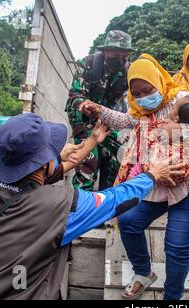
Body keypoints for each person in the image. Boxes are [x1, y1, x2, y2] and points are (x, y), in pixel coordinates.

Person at [0, 113, 179, 299]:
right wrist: (150, 176)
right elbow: (115, 199)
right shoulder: (61, 207)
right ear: (43, 162)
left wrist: (88, 143)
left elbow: (43, 175)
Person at [79, 53, 189, 300]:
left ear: (158, 80)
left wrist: (176, 129)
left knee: (176, 246)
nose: (144, 98)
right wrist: (99, 110)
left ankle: (172, 297)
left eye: (148, 90)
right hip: (155, 181)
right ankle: (143, 272)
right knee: (128, 222)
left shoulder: (182, 99)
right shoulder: (139, 107)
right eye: (137, 93)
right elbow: (125, 119)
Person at [66, 30, 134, 191]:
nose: (119, 57)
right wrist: (85, 105)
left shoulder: (130, 71)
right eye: (115, 52)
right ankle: (80, 203)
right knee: (88, 160)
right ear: (104, 51)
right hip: (84, 117)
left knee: (119, 155)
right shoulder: (88, 64)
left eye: (123, 54)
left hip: (107, 117)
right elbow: (75, 94)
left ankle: (106, 200)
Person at [128, 95, 189, 202]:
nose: (171, 108)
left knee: (146, 158)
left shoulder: (169, 127)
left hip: (161, 172)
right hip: (181, 177)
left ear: (177, 118)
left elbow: (156, 140)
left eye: (173, 108)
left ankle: (130, 181)